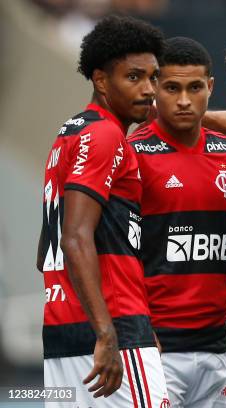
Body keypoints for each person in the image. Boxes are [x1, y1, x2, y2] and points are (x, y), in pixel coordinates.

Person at [36, 15, 170, 407]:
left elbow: (49, 247)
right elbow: (74, 236)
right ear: (100, 81)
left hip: (63, 331)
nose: (149, 90)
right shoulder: (105, 135)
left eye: (153, 77)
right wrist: (109, 333)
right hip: (111, 329)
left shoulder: (71, 133)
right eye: (134, 78)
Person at [128, 37, 226, 408]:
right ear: (154, 90)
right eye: (172, 88)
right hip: (155, 347)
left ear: (210, 88)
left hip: (215, 347)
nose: (184, 100)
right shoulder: (134, 156)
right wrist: (133, 332)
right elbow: (115, 256)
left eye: (195, 88)